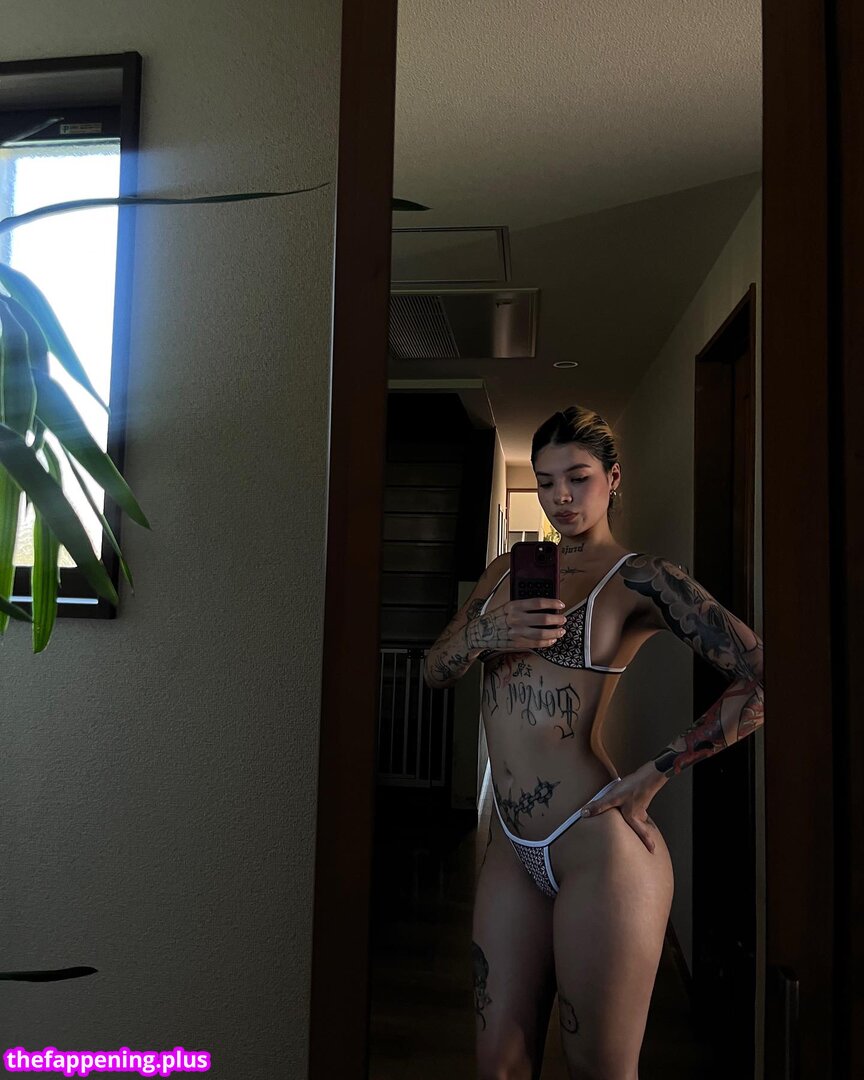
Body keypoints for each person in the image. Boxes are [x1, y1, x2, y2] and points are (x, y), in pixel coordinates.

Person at [423, 405, 764, 1080]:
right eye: (547, 482)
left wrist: (656, 772)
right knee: (497, 1066)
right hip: (510, 847)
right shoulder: (504, 573)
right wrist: (487, 633)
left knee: (599, 1068)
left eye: (578, 478)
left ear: (613, 478)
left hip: (596, 844)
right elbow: (435, 670)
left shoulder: (643, 578)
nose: (561, 497)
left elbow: (759, 676)